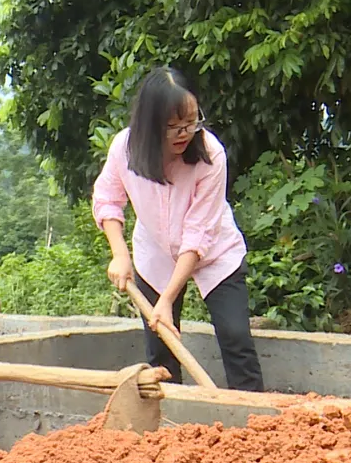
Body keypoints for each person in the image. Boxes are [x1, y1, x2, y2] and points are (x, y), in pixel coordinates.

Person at [91, 66, 265, 392]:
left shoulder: (210, 154)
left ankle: (253, 421)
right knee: (161, 345)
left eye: (190, 122)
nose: (184, 133)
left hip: (214, 252)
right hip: (154, 254)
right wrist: (119, 254)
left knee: (235, 335)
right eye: (173, 127)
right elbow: (107, 199)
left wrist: (167, 298)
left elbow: (198, 235)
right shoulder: (125, 149)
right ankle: (170, 426)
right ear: (150, 125)